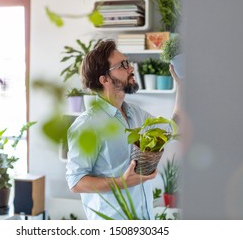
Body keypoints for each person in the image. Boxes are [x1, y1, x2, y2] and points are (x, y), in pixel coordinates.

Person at [65, 39, 182, 220]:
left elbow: (171, 128)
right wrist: (122, 182)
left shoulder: (135, 113)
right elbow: (76, 182)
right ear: (104, 79)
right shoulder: (86, 125)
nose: (131, 68)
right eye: (123, 65)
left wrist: (181, 87)